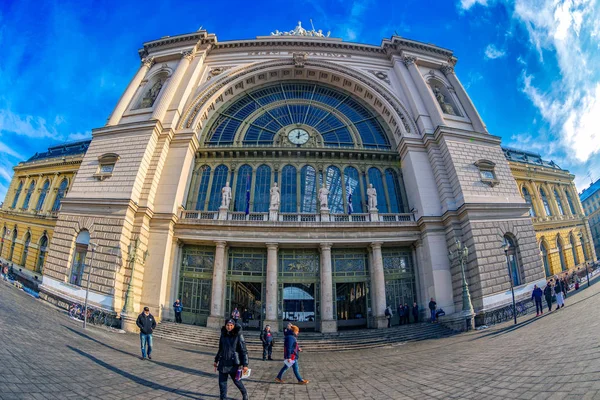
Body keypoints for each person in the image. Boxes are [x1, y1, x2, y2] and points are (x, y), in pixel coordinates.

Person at [214, 319, 249, 400]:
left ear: (234, 326)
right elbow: (220, 349)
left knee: (237, 381)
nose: (229, 327)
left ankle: (244, 392)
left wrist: (245, 364)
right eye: (227, 325)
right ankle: (223, 398)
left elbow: (243, 350)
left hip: (233, 363)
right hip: (223, 362)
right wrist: (216, 360)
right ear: (225, 325)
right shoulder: (223, 334)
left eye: (231, 325)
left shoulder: (238, 335)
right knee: (222, 384)